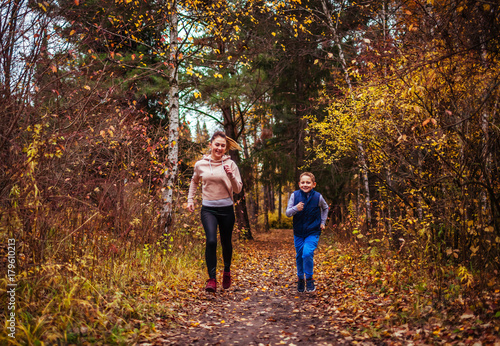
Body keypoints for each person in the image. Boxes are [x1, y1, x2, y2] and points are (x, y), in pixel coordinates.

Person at [187, 131, 243, 293]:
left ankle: (226, 271)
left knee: (226, 242)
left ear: (226, 148)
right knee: (211, 241)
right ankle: (211, 279)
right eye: (217, 144)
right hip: (208, 209)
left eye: (222, 146)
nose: (219, 148)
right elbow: (194, 182)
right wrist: (190, 199)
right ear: (210, 145)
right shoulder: (200, 165)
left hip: (226, 209)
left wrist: (231, 175)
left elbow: (238, 189)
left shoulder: (231, 165)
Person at [286, 172, 329, 293]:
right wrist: (296, 208)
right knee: (299, 256)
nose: (305, 184)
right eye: (303, 182)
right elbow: (288, 213)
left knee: (307, 254)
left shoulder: (318, 197)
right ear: (299, 184)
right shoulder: (295, 195)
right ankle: (300, 279)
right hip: (298, 232)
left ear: (314, 184)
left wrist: (323, 222)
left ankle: (309, 279)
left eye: (308, 182)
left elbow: (325, 208)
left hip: (313, 231)